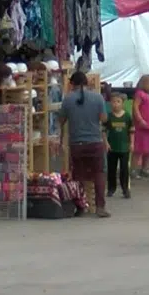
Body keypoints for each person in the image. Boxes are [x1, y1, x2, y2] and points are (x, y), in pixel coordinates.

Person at [59, 71, 110, 218]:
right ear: (87, 82)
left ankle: (80, 207)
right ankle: (100, 207)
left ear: (72, 84)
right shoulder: (98, 97)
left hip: (77, 144)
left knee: (78, 175)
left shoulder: (68, 99)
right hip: (95, 142)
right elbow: (104, 118)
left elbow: (61, 120)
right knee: (99, 173)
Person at [104, 92, 133, 199]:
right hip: (112, 147)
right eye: (113, 102)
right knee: (111, 169)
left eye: (118, 101)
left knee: (124, 169)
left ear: (122, 103)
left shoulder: (127, 116)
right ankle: (111, 188)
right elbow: (103, 131)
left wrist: (132, 143)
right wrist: (106, 143)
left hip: (124, 147)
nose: (115, 104)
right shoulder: (108, 116)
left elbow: (131, 131)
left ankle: (125, 189)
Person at [132, 75, 149, 179]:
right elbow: (135, 107)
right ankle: (133, 170)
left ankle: (145, 169)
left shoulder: (148, 95)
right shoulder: (139, 94)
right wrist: (140, 120)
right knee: (138, 149)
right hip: (141, 127)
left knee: (148, 149)